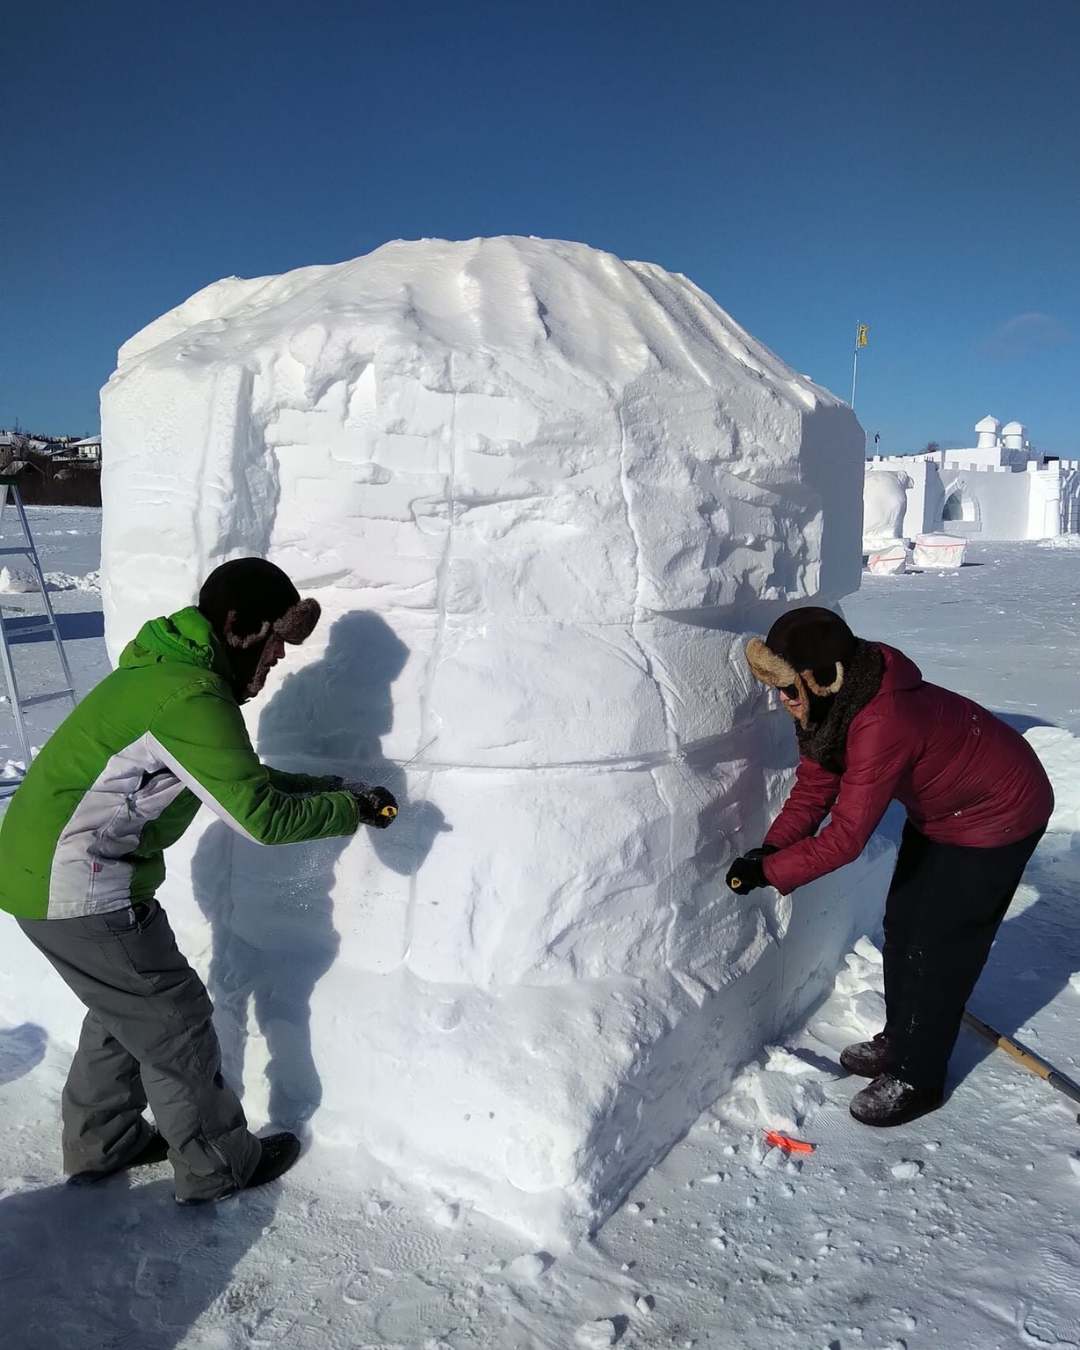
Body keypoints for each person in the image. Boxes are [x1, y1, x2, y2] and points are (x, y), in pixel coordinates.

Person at [0, 558, 397, 1203]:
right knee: (175, 1021)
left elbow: (237, 781)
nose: (273, 664)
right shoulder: (191, 697)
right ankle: (217, 1163)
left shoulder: (166, 679)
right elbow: (260, 817)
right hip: (75, 884)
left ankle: (106, 1141)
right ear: (238, 626)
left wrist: (331, 788)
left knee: (125, 1012)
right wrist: (350, 808)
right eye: (272, 644)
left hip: (49, 874)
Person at [725, 606, 1053, 1127]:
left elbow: (846, 838)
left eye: (790, 686)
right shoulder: (836, 704)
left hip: (1000, 813)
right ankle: (904, 1039)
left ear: (822, 677)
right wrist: (771, 850)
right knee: (904, 923)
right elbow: (816, 787)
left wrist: (773, 873)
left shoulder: (881, 721)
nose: (782, 698)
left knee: (941, 946)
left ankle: (917, 1076)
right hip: (946, 809)